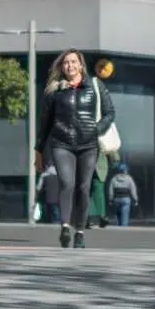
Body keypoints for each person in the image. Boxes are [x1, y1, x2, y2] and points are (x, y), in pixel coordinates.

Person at [34, 48, 116, 249]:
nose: (69, 65)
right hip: (62, 144)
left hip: (88, 145)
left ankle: (79, 232)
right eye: (66, 62)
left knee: (83, 187)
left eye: (73, 62)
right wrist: (38, 151)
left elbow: (109, 113)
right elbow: (45, 122)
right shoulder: (55, 90)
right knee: (67, 184)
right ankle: (65, 227)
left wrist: (96, 130)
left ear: (80, 65)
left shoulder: (95, 85)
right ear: (62, 67)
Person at [106, 161, 139, 226]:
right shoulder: (129, 179)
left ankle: (119, 228)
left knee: (119, 216)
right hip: (126, 199)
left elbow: (111, 191)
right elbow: (133, 190)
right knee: (125, 218)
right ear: (125, 170)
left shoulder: (114, 179)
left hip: (116, 200)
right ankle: (124, 229)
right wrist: (136, 200)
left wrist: (110, 200)